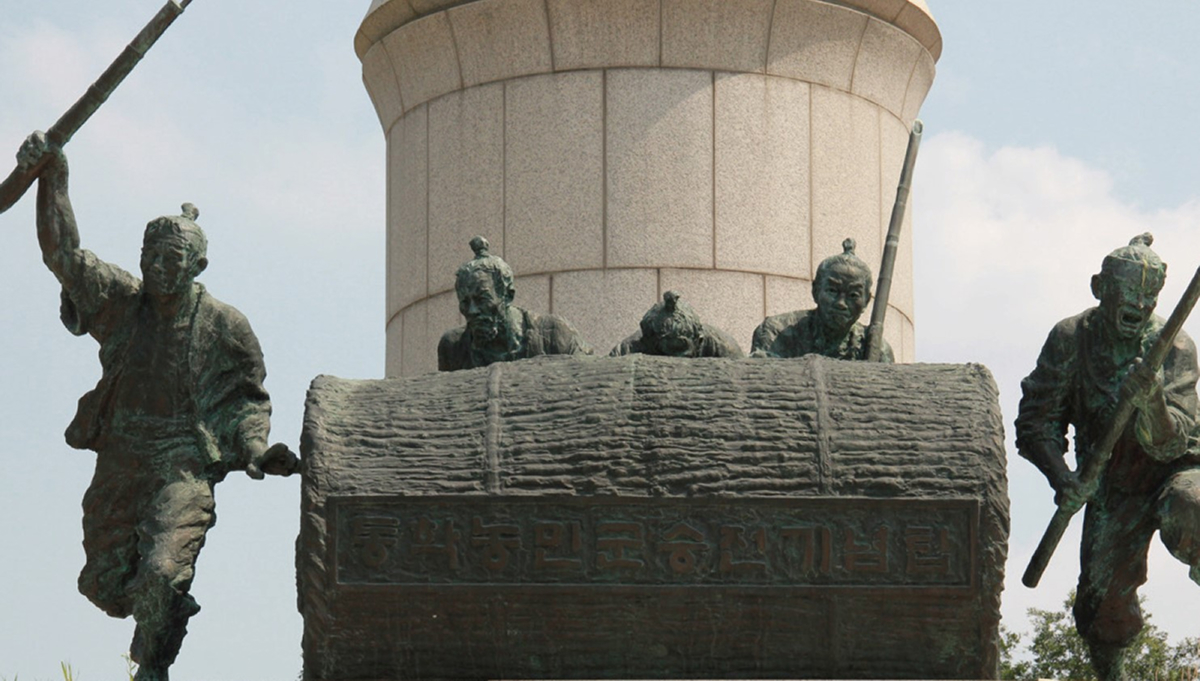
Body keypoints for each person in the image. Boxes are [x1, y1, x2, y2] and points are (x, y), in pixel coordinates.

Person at [18, 132, 297, 681]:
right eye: (150, 256)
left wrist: (257, 451)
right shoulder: (122, 302)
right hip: (122, 460)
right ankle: (163, 615)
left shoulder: (225, 326)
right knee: (104, 583)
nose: (158, 268)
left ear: (198, 265)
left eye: (172, 259)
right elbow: (63, 255)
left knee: (162, 573)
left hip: (183, 465)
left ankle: (154, 658)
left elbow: (246, 400)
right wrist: (54, 177)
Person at [1015, 233, 1200, 681]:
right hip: (1111, 484)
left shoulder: (1175, 346)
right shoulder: (1070, 339)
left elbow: (1173, 443)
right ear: (1099, 288)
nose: (1139, 304)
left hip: (1177, 470)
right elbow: (1036, 423)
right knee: (1101, 605)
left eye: (1149, 295)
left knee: (1191, 508)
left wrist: (1152, 402)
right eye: (1128, 292)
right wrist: (1063, 478)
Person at [438, 236, 592, 371]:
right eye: (465, 302)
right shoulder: (453, 348)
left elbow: (591, 380)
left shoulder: (554, 334)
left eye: (482, 300)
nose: (472, 310)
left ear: (508, 295)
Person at [750, 238, 893, 361]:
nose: (841, 303)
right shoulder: (776, 332)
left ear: (866, 301)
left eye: (853, 295)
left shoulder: (876, 349)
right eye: (832, 291)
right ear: (815, 291)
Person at [610, 290, 744, 358]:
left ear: (698, 338)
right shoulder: (628, 349)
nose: (676, 360)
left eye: (681, 349)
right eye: (668, 350)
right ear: (651, 342)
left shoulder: (722, 346)